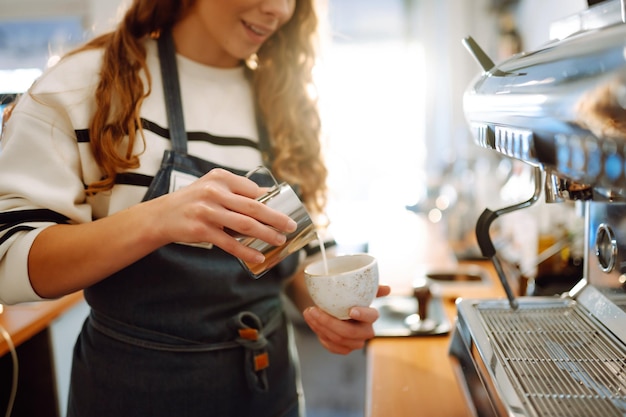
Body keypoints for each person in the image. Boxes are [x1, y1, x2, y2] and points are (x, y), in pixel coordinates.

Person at [0, 0, 391, 416]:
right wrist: (158, 219)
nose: (278, 9)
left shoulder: (283, 102)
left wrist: (329, 310)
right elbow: (9, 261)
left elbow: (299, 248)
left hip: (267, 390)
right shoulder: (86, 87)